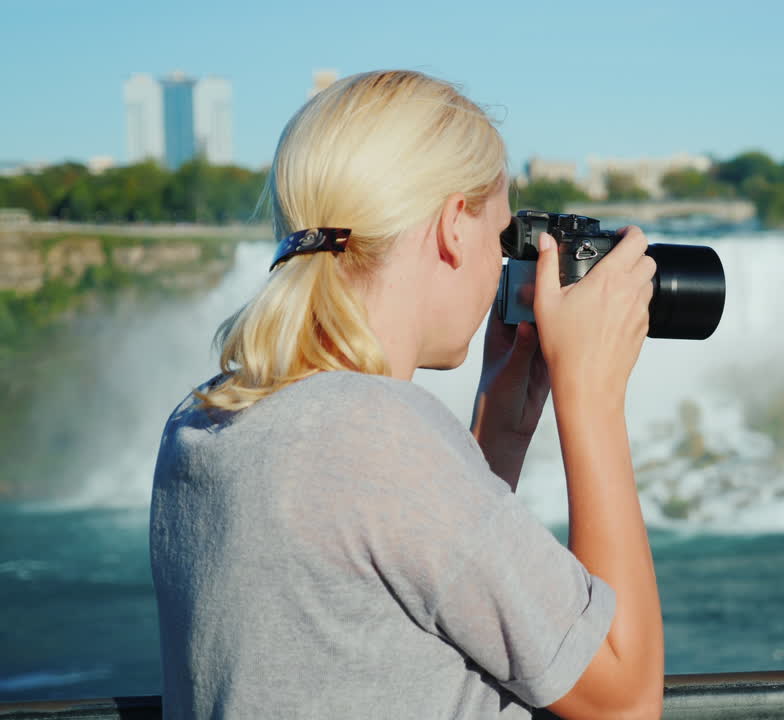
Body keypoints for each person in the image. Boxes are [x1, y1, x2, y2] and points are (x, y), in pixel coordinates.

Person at [150, 70, 664, 719]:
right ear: (454, 226)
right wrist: (590, 398)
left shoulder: (203, 419)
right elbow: (627, 700)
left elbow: (409, 590)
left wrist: (499, 426)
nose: (503, 266)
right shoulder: (379, 434)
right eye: (503, 237)